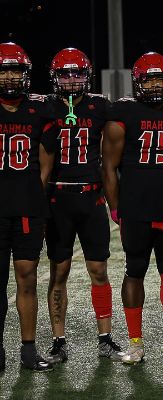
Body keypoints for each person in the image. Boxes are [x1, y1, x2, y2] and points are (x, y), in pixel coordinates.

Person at [102, 52, 163, 365]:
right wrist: (115, 207)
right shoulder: (123, 111)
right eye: (149, 78)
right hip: (137, 207)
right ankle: (136, 343)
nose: (155, 84)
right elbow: (109, 165)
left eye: (161, 78)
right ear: (138, 82)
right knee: (135, 269)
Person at [44, 47, 123, 364]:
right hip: (57, 198)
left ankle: (105, 337)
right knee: (59, 271)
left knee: (99, 270)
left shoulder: (100, 106)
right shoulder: (45, 107)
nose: (72, 79)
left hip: (91, 198)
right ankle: (58, 339)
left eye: (77, 73)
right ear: (55, 77)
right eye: (66, 74)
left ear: (87, 76)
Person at [0, 42, 55, 372]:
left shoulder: (40, 109)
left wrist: (31, 195)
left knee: (27, 278)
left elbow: (46, 165)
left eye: (16, 70)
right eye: (4, 69)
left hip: (27, 208)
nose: (10, 76)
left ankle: (28, 349)